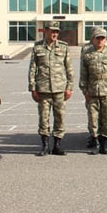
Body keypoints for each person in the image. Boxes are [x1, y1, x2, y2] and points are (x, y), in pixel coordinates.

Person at [28, 21, 73, 156]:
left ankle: (57, 145)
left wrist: (69, 87)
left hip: (59, 88)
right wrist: (32, 88)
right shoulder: (37, 48)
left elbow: (69, 69)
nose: (54, 34)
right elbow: (32, 69)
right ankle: (45, 145)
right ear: (45, 31)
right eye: (52, 31)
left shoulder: (64, 47)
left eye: (56, 31)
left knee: (59, 117)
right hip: (43, 89)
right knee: (43, 118)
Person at [80, 28, 107, 155]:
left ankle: (105, 144)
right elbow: (83, 75)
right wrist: (85, 90)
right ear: (93, 39)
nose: (100, 40)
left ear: (106, 40)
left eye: (102, 38)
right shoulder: (87, 55)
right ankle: (95, 142)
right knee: (93, 119)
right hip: (92, 91)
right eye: (97, 38)